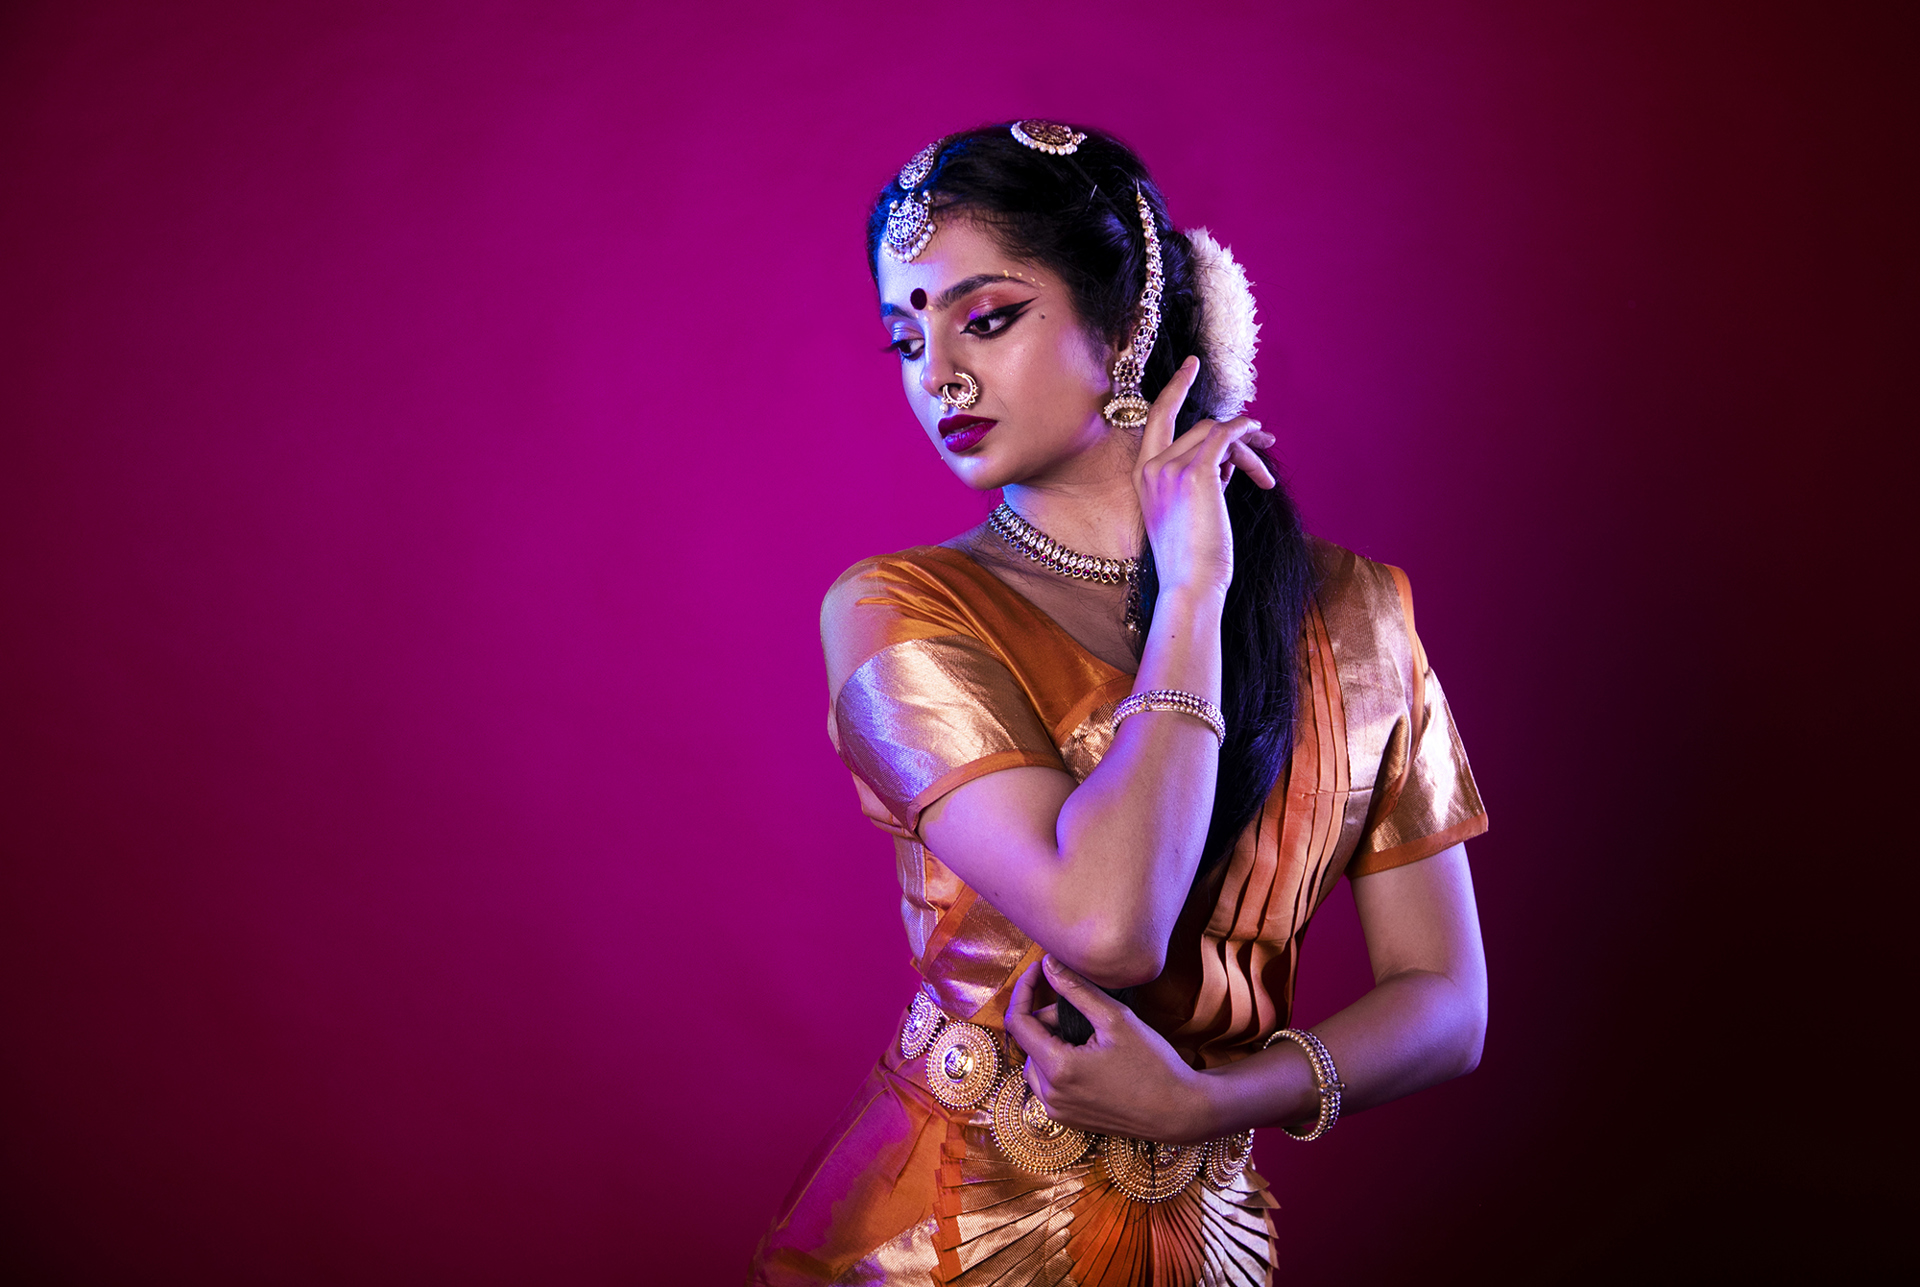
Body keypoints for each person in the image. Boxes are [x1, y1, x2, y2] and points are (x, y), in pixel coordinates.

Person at [750, 121, 1489, 1286]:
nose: (937, 374)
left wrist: (1213, 1101)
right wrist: (1194, 591)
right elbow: (1108, 923)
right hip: (944, 1232)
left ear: (1133, 318)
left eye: (987, 319)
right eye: (906, 337)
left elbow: (1447, 1001)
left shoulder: (1353, 613)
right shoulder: (902, 610)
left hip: (1211, 1243)